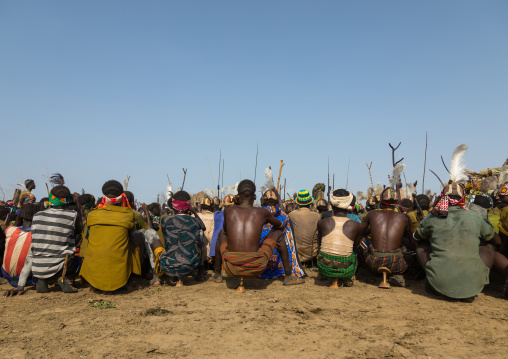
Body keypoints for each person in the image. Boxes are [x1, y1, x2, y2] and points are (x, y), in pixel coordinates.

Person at [212, 180, 304, 286]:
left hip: (231, 268)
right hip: (255, 267)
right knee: (278, 233)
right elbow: (280, 225)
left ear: (237, 196)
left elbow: (226, 231)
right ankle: (289, 276)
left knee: (221, 232)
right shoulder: (262, 212)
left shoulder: (229, 210)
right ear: (255, 197)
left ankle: (217, 274)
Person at [415, 182, 497, 301]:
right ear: (463, 198)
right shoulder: (475, 216)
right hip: (473, 285)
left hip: (440, 283)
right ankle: (476, 279)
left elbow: (416, 237)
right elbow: (490, 236)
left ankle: (432, 280)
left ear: (442, 197)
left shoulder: (432, 217)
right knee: (488, 246)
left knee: (420, 246)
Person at [80, 180, 144, 292]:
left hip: (93, 277)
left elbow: (87, 237)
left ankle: (93, 280)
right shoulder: (128, 214)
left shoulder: (92, 215)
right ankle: (132, 278)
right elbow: (133, 232)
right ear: (122, 196)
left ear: (103, 196)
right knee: (137, 237)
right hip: (120, 279)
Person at [148, 191, 206, 286]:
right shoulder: (196, 221)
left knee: (150, 233)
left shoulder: (165, 219)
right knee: (200, 234)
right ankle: (199, 271)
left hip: (169, 265)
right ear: (188, 206)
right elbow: (203, 227)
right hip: (191, 266)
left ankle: (156, 276)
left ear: (174, 206)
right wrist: (194, 211)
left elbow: (166, 237)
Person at [31, 185, 82, 293]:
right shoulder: (72, 215)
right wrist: (77, 206)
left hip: (37, 264)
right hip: (62, 264)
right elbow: (79, 230)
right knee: (73, 240)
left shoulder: (37, 215)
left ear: (50, 197)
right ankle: (63, 277)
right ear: (68, 200)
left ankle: (42, 280)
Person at [359, 186, 413, 286]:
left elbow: (360, 233)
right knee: (409, 248)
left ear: (381, 202)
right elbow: (413, 242)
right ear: (397, 202)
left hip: (373, 262)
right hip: (397, 264)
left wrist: (371, 230)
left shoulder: (371, 214)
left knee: (361, 240)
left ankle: (371, 274)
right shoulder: (405, 217)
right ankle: (397, 274)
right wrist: (401, 240)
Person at [316, 189, 365, 287]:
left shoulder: (322, 223)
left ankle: (330, 276)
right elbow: (355, 248)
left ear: (331, 204)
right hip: (346, 270)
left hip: (324, 267)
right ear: (349, 204)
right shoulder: (357, 226)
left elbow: (319, 244)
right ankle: (344, 278)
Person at [257, 188, 306, 279]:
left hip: (258, 260)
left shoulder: (255, 214)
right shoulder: (284, 216)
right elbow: (289, 239)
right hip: (279, 261)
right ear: (276, 201)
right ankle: (287, 271)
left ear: (263, 200)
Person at [1, 204, 37, 296]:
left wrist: (21, 213)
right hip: (27, 280)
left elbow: (7, 225)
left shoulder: (10, 230)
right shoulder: (37, 235)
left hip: (7, 275)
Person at [288, 190, 321, 263]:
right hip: (313, 253)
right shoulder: (317, 216)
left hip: (296, 253)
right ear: (310, 203)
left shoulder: (291, 215)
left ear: (298, 203)